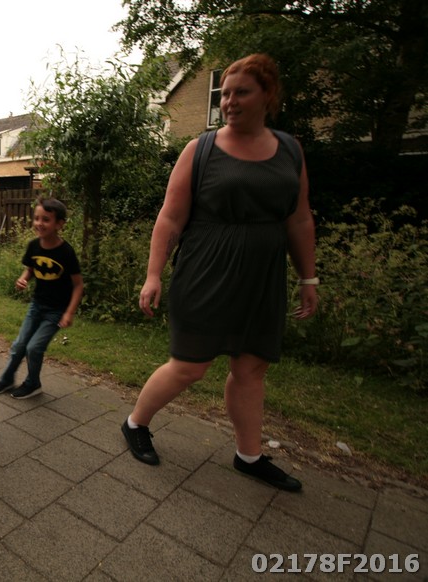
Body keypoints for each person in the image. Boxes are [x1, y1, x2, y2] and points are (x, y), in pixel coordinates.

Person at [121, 54, 318, 492]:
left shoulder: (290, 150)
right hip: (206, 270)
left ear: (268, 95)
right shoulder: (201, 149)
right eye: (224, 93)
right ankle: (135, 423)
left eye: (241, 92)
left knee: (251, 368)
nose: (229, 101)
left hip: (262, 277)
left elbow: (300, 218)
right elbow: (170, 218)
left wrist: (308, 278)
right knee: (190, 365)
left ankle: (249, 456)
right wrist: (153, 275)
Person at [0, 198, 83, 399]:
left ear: (59, 224)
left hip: (56, 311)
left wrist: (69, 312)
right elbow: (30, 269)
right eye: (37, 218)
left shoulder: (66, 252)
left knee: (34, 348)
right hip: (37, 305)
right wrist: (23, 279)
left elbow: (78, 285)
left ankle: (33, 384)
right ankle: (7, 379)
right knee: (19, 345)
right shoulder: (33, 246)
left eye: (46, 219)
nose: (39, 223)